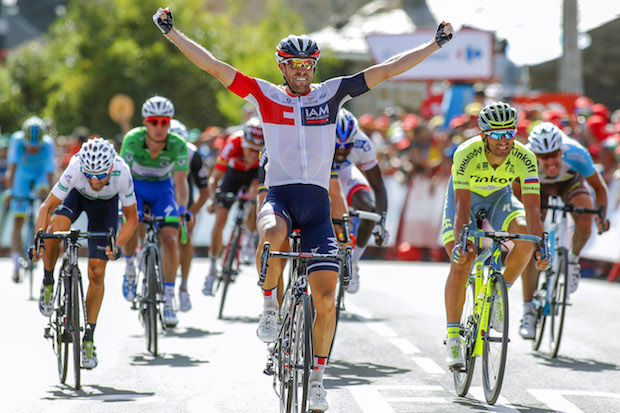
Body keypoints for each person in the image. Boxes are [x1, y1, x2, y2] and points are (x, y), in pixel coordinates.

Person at [152, 7, 452, 410]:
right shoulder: (265, 95)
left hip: (316, 207)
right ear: (282, 67)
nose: (302, 71)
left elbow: (386, 69)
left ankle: (317, 379)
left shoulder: (331, 94)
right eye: (294, 65)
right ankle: (270, 306)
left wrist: (433, 44)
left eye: (308, 65)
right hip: (278, 196)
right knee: (273, 236)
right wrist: (173, 34)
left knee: (326, 299)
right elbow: (214, 66)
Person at [441, 101, 550, 368]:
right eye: (497, 135)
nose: (504, 141)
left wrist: (540, 247)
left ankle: (500, 297)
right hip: (466, 201)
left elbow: (533, 209)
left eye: (509, 133)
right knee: (462, 261)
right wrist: (461, 241)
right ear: (483, 135)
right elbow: (461, 207)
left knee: (525, 236)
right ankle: (454, 336)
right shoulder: (466, 152)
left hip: (501, 200)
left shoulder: (525, 156)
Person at [34, 137, 138, 368]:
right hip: (76, 198)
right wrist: (38, 240)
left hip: (106, 207)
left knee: (97, 272)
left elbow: (132, 219)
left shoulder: (122, 172)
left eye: (100, 175)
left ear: (110, 168)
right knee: (56, 228)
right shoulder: (75, 168)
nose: (93, 180)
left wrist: (117, 244)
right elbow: (46, 207)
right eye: (89, 174)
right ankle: (49, 280)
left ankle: (89, 338)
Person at [515, 121, 610, 339]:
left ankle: (572, 261)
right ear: (535, 154)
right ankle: (528, 310)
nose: (550, 161)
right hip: (536, 187)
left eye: (554, 155)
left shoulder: (577, 153)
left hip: (569, 184)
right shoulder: (525, 159)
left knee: (585, 211)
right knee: (532, 243)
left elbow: (599, 187)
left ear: (562, 150)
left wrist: (601, 217)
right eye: (544, 156)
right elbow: (518, 193)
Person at [120, 96, 189, 328]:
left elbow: (180, 183)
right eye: (153, 121)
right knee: (132, 223)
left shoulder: (178, 144)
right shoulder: (132, 139)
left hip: (162, 189)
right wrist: (129, 209)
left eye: (164, 122)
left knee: (170, 239)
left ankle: (169, 301)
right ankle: (130, 268)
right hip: (135, 187)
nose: (159, 127)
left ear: (170, 123)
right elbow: (123, 177)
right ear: (145, 122)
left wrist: (181, 209)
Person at [202, 117, 263, 296]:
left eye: (258, 151)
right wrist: (213, 198)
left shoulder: (265, 150)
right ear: (243, 142)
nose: (253, 155)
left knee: (255, 197)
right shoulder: (233, 143)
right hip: (233, 175)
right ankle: (212, 268)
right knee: (220, 218)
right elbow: (214, 178)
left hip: (254, 175)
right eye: (250, 149)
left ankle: (249, 241)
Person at [331, 108, 389, 293]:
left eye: (346, 146)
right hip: (321, 173)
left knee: (369, 209)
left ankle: (353, 261)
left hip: (346, 174)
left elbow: (378, 186)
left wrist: (381, 223)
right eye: (336, 146)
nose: (341, 150)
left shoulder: (363, 143)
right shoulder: (318, 138)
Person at [4, 116, 55, 282]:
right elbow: (11, 169)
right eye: (29, 147)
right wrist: (10, 191)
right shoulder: (17, 141)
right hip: (22, 178)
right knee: (18, 221)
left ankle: (39, 243)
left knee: (44, 201)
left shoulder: (48, 144)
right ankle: (16, 265)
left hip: (40, 176)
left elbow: (50, 174)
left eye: (36, 147)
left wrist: (52, 198)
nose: (33, 149)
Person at [169, 119, 210, 311]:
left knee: (185, 239)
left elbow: (205, 192)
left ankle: (183, 287)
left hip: (184, 200)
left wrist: (191, 213)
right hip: (160, 196)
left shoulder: (193, 154)